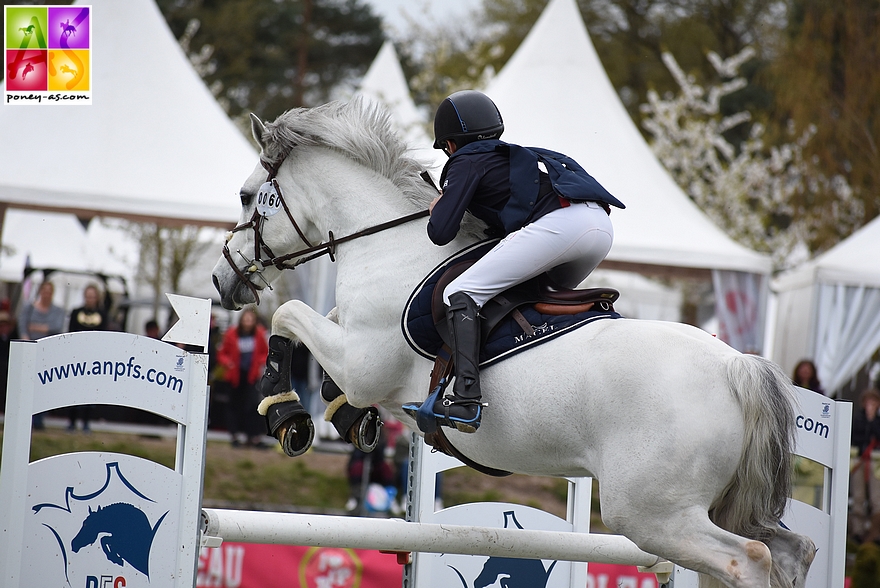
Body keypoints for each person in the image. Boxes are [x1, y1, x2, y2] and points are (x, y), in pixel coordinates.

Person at [403, 90, 624, 433]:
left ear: (450, 144)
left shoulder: (466, 160)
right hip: (600, 227)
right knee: (531, 298)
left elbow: (441, 232)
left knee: (460, 292)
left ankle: (465, 398)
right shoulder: (514, 156)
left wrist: (439, 205)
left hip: (561, 227)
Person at [216, 308, 269, 448]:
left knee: (252, 406)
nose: (248, 322)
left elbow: (265, 353)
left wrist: (259, 362)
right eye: (246, 319)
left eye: (250, 320)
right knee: (234, 406)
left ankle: (253, 436)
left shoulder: (259, 335)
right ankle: (234, 435)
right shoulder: (231, 334)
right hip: (235, 376)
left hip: (251, 376)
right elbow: (222, 353)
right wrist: (228, 363)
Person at [18, 281, 65, 430]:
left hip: (48, 352)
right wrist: (27, 336)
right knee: (28, 385)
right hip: (30, 352)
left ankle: (39, 418)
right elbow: (23, 325)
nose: (46, 294)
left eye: (49, 291)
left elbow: (56, 327)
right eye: (44, 291)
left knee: (44, 385)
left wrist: (36, 327)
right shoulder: (30, 308)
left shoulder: (57, 310)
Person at [66, 284, 108, 432]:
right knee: (74, 389)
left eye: (93, 296)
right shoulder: (76, 312)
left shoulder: (102, 314)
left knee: (89, 391)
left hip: (93, 357)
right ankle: (71, 422)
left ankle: (86, 423)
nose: (90, 299)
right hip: (77, 355)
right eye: (88, 296)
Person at [850, 388, 880, 544]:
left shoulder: (878, 421)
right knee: (859, 496)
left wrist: (873, 420)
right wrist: (867, 420)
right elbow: (855, 436)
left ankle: (876, 531)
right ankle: (858, 530)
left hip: (875, 462)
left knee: (876, 498)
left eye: (874, 402)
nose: (871, 405)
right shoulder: (857, 419)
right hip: (859, 461)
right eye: (868, 402)